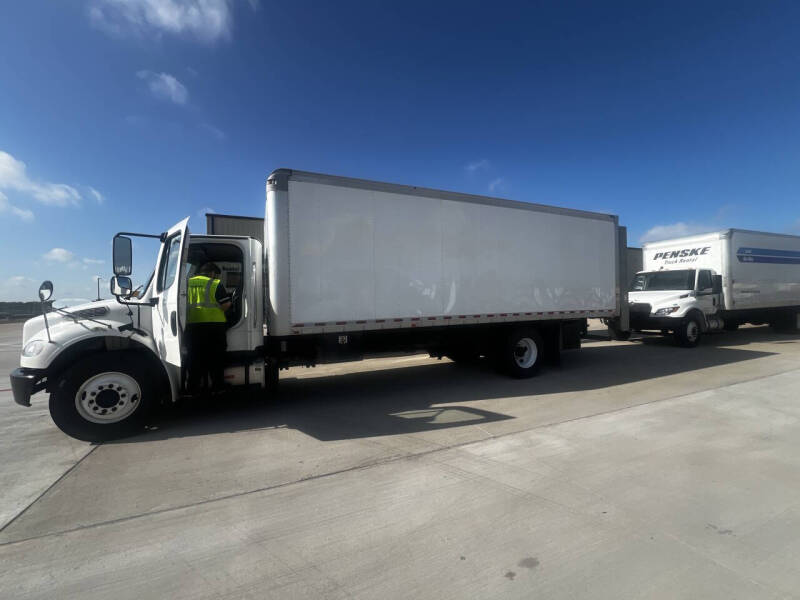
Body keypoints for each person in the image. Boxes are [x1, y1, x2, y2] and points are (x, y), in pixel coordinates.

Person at [186, 262, 232, 394]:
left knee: (194, 358)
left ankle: (192, 388)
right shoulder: (215, 283)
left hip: (192, 326)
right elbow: (226, 304)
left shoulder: (187, 283)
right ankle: (217, 387)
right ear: (212, 273)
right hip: (214, 327)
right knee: (216, 358)